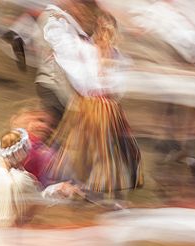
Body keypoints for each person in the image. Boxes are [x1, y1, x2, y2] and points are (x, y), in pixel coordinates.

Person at [48, 10, 143, 198]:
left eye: (109, 30)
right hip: (89, 105)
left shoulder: (119, 58)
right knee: (83, 151)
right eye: (101, 29)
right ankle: (77, 189)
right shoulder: (83, 49)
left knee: (113, 153)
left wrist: (107, 68)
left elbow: (118, 87)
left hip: (108, 108)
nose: (104, 34)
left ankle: (111, 195)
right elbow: (68, 56)